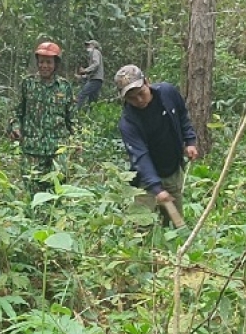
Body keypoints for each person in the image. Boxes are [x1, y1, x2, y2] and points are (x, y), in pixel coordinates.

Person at [115, 65, 199, 224]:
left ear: (147, 82)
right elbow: (140, 157)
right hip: (146, 179)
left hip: (172, 169)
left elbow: (182, 115)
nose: (139, 101)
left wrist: (190, 141)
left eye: (141, 93)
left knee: (176, 224)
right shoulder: (128, 123)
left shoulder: (167, 93)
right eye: (132, 98)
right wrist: (156, 188)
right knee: (141, 226)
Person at [10, 41, 74, 192]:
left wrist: (76, 140)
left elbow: (72, 116)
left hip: (58, 147)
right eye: (41, 62)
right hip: (32, 147)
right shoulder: (28, 84)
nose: (44, 66)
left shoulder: (64, 87)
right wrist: (15, 128)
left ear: (56, 64)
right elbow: (16, 112)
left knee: (58, 185)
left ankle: (54, 215)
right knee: (32, 188)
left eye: (49, 62)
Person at [75, 39, 105, 110]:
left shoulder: (95, 52)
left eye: (89, 45)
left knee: (82, 94)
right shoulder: (95, 53)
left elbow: (96, 64)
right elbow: (93, 72)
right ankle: (91, 116)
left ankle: (74, 112)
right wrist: (82, 76)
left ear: (94, 46)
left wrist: (85, 70)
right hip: (97, 80)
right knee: (92, 101)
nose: (87, 47)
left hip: (95, 80)